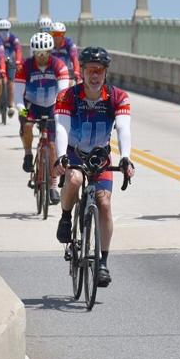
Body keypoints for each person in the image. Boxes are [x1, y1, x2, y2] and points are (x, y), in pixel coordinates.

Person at [53, 47, 135, 287]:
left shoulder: (118, 96)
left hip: (101, 157)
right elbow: (61, 128)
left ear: (106, 73)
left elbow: (123, 128)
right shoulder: (67, 96)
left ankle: (102, 262)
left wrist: (127, 157)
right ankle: (66, 217)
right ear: (82, 72)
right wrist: (60, 157)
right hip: (75, 153)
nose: (95, 76)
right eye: (90, 71)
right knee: (76, 180)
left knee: (105, 203)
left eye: (99, 71)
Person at [15, 32, 70, 202]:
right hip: (32, 104)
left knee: (53, 145)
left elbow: (63, 94)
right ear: (33, 53)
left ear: (50, 52)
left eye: (44, 53)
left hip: (53, 104)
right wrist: (22, 111)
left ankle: (53, 186)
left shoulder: (59, 66)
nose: (41, 57)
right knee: (28, 126)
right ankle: (28, 154)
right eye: (38, 53)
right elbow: (17, 96)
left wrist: (61, 113)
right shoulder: (25, 66)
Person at [0, 18, 23, 116]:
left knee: (11, 82)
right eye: (1, 30)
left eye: (6, 30)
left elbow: (18, 50)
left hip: (10, 61)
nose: (4, 32)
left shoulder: (13, 38)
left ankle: (11, 105)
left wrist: (18, 61)